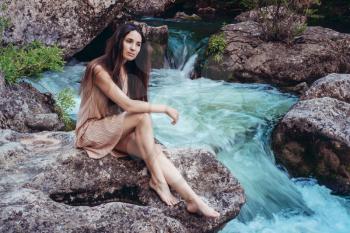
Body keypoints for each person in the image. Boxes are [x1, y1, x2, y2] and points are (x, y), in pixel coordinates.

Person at [75, 23, 220, 218]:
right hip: (91, 131)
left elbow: (130, 111)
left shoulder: (131, 71)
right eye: (129, 41)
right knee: (142, 117)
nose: (133, 48)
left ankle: (194, 200)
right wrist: (165, 108)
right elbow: (129, 106)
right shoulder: (98, 69)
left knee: (152, 151)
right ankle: (159, 182)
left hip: (114, 128)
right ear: (118, 41)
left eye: (137, 44)